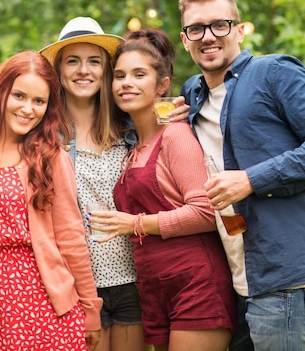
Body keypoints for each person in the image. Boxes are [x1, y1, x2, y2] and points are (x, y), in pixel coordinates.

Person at [177, 0, 305, 351]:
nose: (208, 36)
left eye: (219, 25)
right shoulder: (193, 92)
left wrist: (252, 180)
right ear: (184, 39)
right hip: (236, 279)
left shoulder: (274, 72)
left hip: (286, 276)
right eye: (196, 29)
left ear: (240, 30)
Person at [0, 51, 102, 351]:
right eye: (19, 95)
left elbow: (71, 238)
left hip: (42, 298)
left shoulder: (50, 157)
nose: (28, 108)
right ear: (1, 93)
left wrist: (91, 310)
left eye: (39, 101)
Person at [89, 28, 236, 351]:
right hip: (154, 289)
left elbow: (206, 212)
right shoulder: (133, 148)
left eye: (139, 74)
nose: (126, 83)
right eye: (120, 75)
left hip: (195, 283)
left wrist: (134, 224)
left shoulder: (175, 135)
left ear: (162, 86)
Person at [39, 17, 150, 351]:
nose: (83, 70)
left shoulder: (131, 129)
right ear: (59, 70)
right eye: (73, 61)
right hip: (77, 284)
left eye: (94, 62)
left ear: (105, 70)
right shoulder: (44, 135)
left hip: (133, 280)